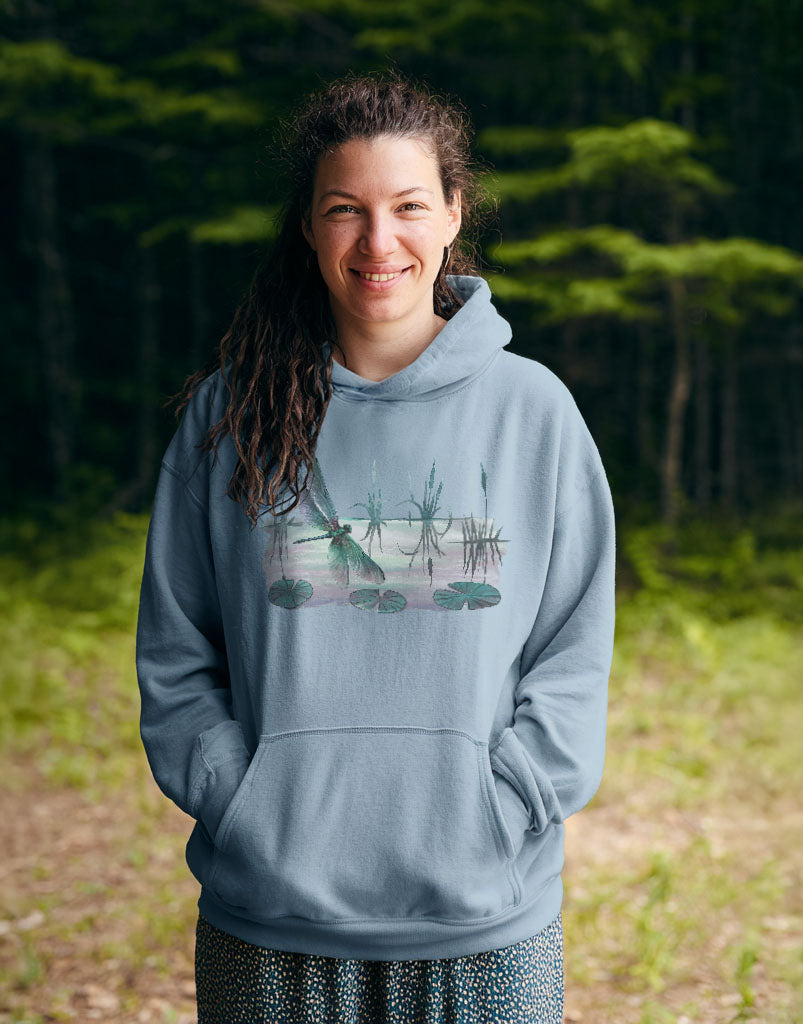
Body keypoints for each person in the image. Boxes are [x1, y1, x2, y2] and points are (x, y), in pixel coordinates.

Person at [136, 72, 616, 1024]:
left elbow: (573, 651)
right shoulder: (231, 417)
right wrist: (243, 805)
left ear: (452, 214)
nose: (377, 240)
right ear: (310, 229)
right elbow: (178, 652)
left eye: (406, 206)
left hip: (485, 920)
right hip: (272, 919)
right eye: (345, 210)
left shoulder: (535, 414)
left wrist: (508, 804)